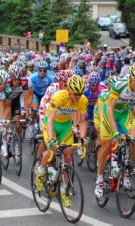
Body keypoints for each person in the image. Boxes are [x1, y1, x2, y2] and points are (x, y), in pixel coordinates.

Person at [95, 63, 135, 198]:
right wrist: (115, 131)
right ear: (130, 78)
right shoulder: (120, 85)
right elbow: (108, 108)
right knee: (106, 147)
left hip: (125, 113)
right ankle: (100, 180)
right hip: (110, 113)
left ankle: (127, 172)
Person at [35, 75, 88, 207]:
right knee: (51, 150)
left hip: (65, 127)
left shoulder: (82, 100)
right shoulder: (58, 97)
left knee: (68, 154)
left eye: (80, 94)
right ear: (69, 90)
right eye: (76, 94)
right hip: (52, 124)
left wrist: (82, 137)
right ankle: (40, 174)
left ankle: (63, 191)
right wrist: (52, 139)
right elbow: (50, 120)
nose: (78, 97)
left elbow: (82, 121)